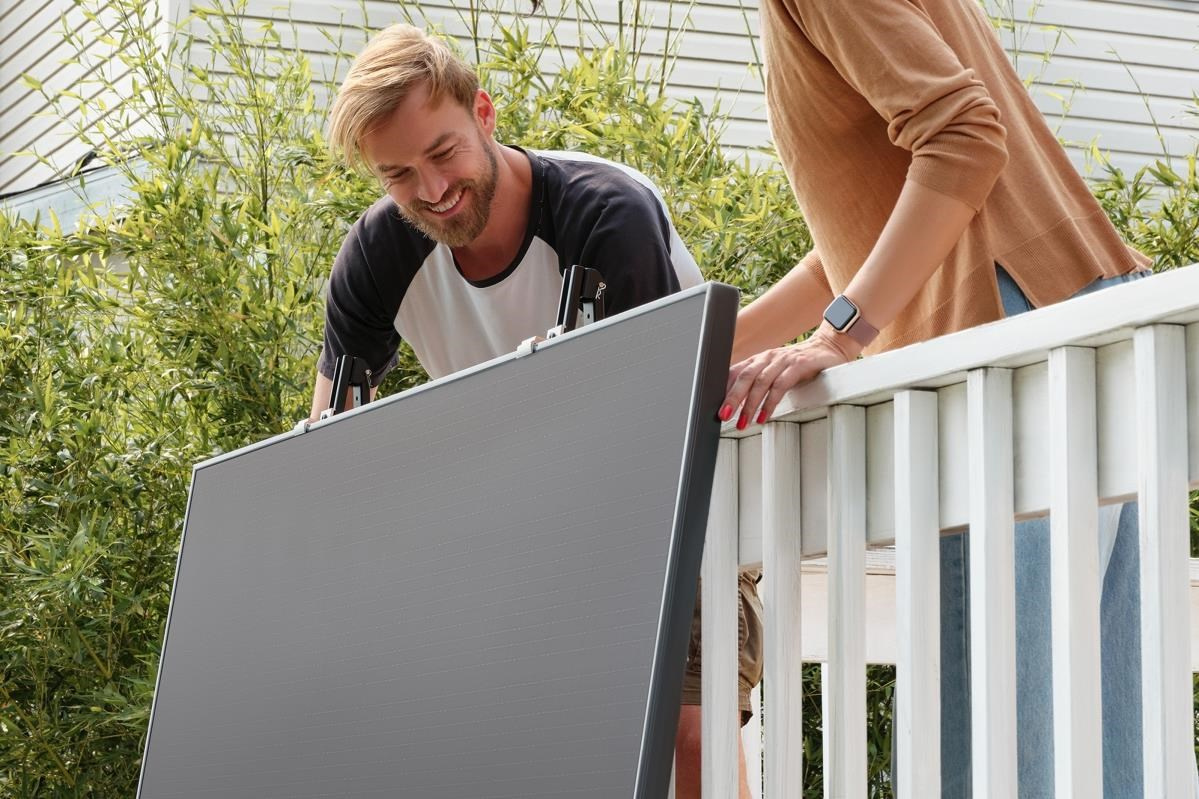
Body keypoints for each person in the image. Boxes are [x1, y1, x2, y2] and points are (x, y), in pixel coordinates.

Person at [717, 0, 1182, 795]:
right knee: (1105, 754)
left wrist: (838, 336)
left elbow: (963, 139)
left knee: (986, 754)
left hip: (998, 340)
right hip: (1080, 325)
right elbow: (868, 230)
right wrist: (709, 352)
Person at [310, 24, 762, 798]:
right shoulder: (377, 256)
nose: (431, 189)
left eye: (443, 153)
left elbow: (643, 425)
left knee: (684, 730)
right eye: (398, 174)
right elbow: (331, 449)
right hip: (516, 542)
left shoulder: (606, 211)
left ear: (483, 114)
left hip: (677, 513)